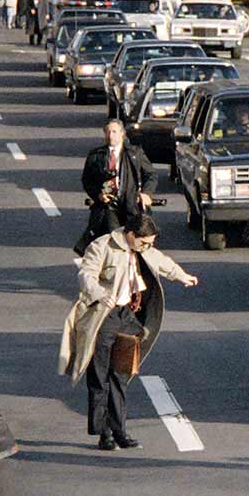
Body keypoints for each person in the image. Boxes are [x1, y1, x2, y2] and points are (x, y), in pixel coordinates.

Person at [58, 215, 199, 451]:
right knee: (100, 377)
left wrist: (182, 276)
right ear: (131, 235)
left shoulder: (142, 248)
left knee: (121, 375)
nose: (147, 247)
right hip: (104, 317)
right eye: (144, 243)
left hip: (126, 315)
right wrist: (100, 293)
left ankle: (120, 430)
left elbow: (161, 261)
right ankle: (105, 434)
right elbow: (86, 275)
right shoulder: (102, 246)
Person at [77, 119, 155, 253]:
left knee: (135, 239)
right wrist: (98, 195)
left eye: (114, 132)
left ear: (122, 134)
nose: (110, 135)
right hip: (109, 206)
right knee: (115, 239)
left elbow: (151, 175)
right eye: (107, 132)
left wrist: (146, 193)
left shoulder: (134, 153)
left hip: (130, 204)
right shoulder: (96, 155)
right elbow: (87, 180)